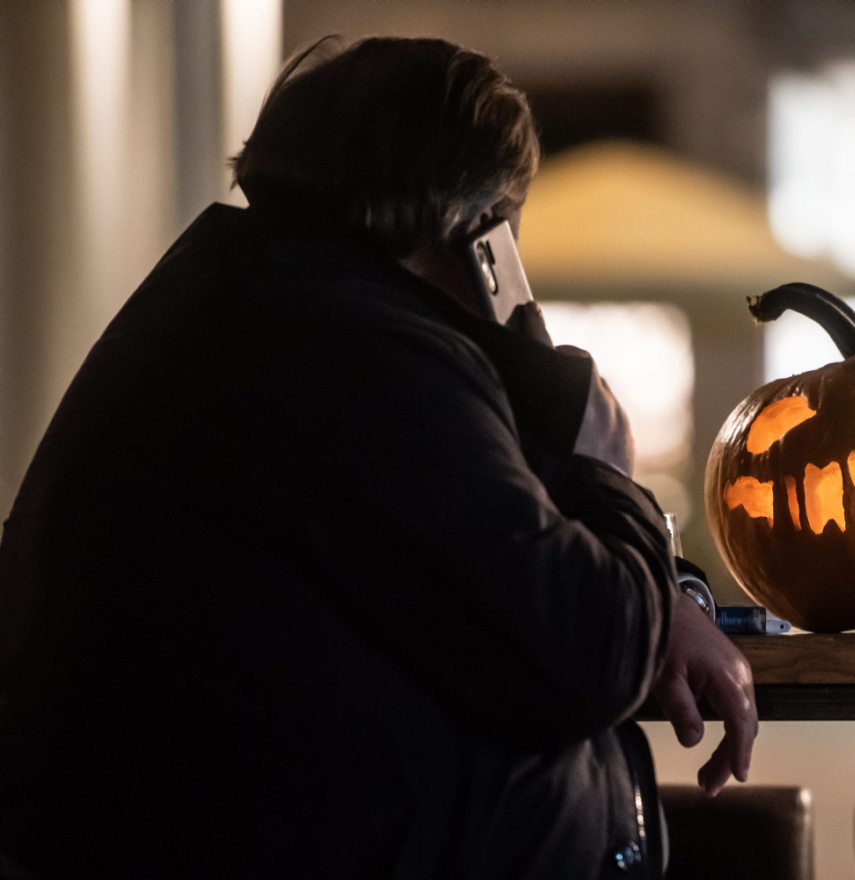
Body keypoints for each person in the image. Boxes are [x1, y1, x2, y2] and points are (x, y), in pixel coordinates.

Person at [0, 36, 757, 879]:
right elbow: (590, 653)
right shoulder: (355, 354)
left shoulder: (255, 308)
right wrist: (611, 474)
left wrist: (669, 591)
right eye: (509, 223)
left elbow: (505, 550)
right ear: (478, 229)